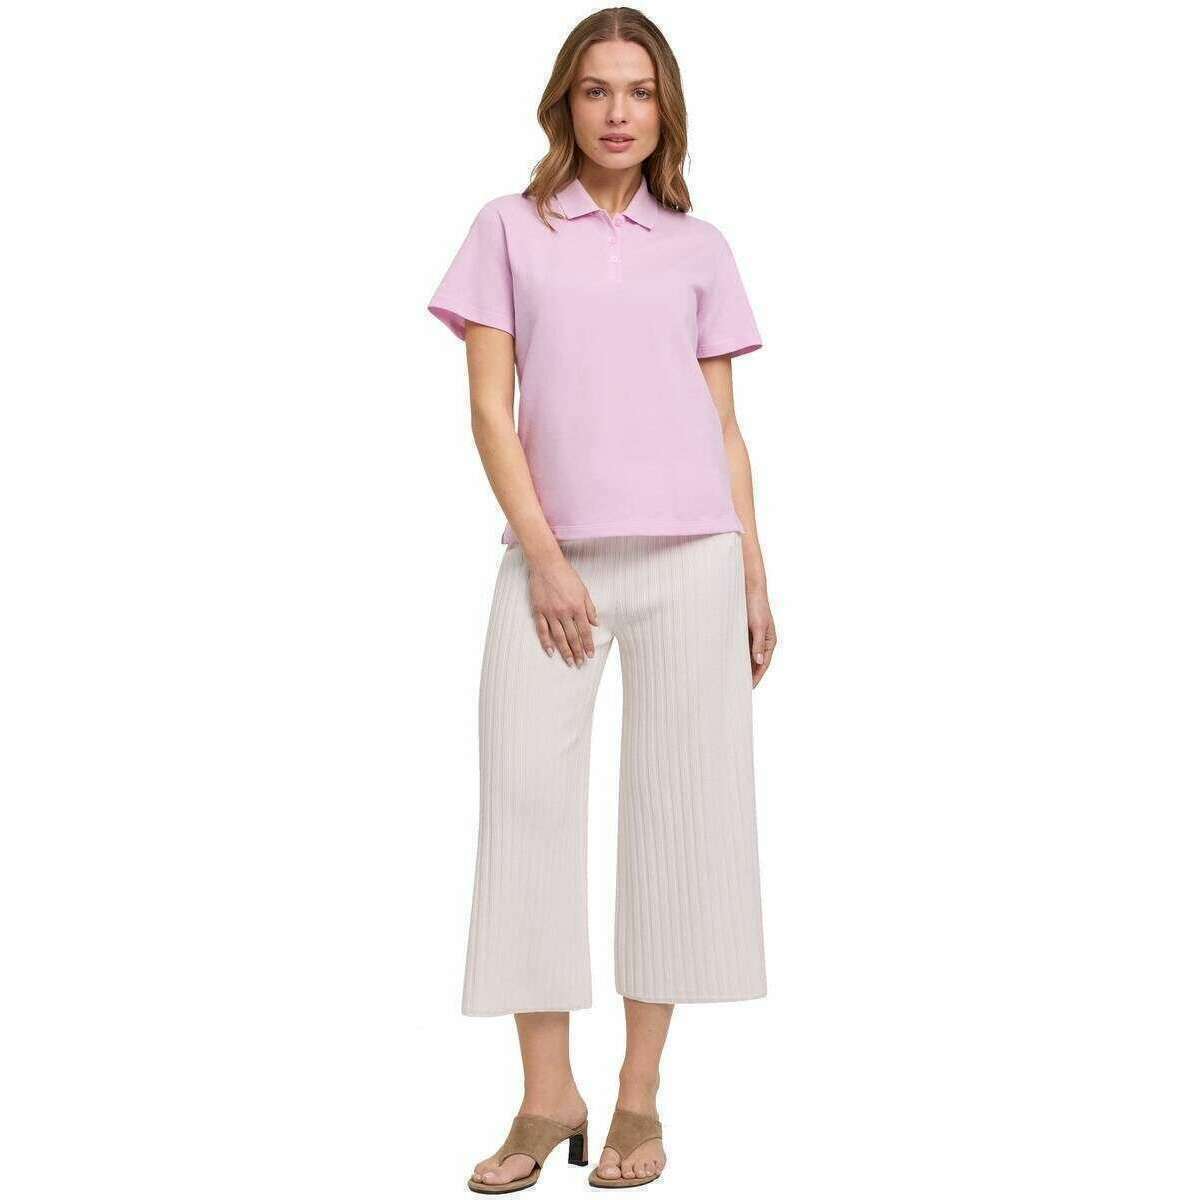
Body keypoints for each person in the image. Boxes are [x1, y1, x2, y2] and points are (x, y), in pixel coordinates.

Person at [427, 7, 778, 1192]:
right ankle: (547, 1097)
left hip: (693, 558)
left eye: (638, 90)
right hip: (554, 562)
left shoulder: (701, 246)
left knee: (677, 819)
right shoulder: (507, 228)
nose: (617, 111)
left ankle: (636, 1094)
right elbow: (489, 408)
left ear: (665, 107)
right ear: (564, 105)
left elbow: (723, 424)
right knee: (526, 807)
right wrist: (545, 556)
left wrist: (753, 569)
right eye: (594, 90)